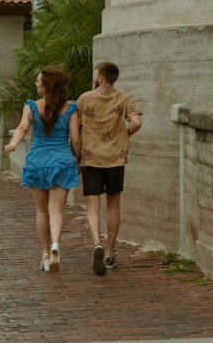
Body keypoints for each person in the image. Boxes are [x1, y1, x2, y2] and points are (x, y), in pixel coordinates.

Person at [4, 66, 80, 273]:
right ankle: (56, 244)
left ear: (46, 88)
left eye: (39, 81)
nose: (36, 83)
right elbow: (75, 139)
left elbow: (21, 128)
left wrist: (13, 144)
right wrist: (78, 160)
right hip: (62, 160)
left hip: (38, 160)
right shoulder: (70, 109)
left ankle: (45, 253)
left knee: (41, 210)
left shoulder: (31, 107)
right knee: (56, 210)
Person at [77, 61, 142, 275]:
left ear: (101, 78)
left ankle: (96, 241)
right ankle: (109, 253)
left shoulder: (85, 99)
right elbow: (136, 123)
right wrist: (124, 135)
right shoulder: (124, 99)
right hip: (116, 159)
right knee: (114, 206)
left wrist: (77, 157)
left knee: (93, 207)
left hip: (91, 158)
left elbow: (75, 131)